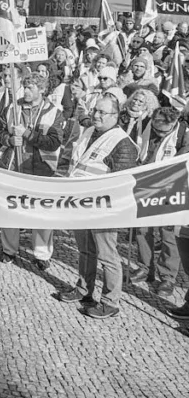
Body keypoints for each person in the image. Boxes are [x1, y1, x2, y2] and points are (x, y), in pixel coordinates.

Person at [58, 92, 139, 319]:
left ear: (116, 115)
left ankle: (110, 301)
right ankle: (84, 289)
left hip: (104, 209)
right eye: (95, 110)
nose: (96, 115)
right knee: (85, 250)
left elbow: (123, 183)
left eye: (103, 112)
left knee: (107, 256)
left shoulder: (123, 143)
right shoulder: (90, 131)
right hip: (80, 203)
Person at [0, 73, 63, 269]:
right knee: (10, 210)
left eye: (31, 87)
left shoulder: (53, 112)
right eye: (25, 87)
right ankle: (9, 249)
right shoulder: (11, 108)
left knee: (41, 213)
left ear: (42, 90)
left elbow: (54, 142)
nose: (26, 91)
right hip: (14, 166)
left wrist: (28, 134)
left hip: (41, 169)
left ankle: (41, 254)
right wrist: (8, 140)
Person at [130, 106, 188, 298]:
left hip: (171, 187)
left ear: (173, 124)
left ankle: (167, 277)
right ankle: (145, 267)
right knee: (142, 229)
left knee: (168, 233)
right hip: (144, 183)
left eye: (163, 131)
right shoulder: (144, 125)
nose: (158, 133)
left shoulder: (183, 133)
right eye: (156, 128)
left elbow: (182, 162)